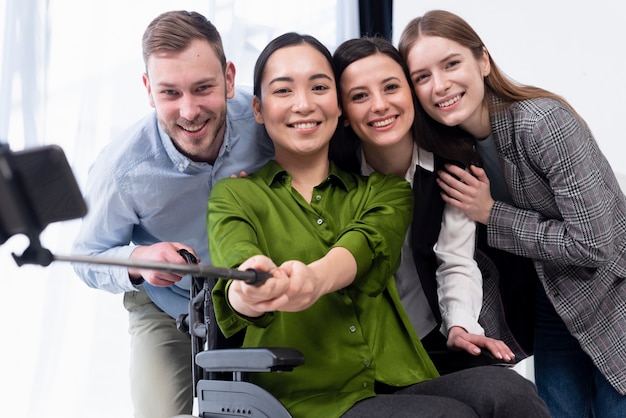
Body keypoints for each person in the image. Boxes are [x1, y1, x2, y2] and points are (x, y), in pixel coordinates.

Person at [208, 31, 550, 418]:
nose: (303, 104)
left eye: (318, 87)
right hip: (308, 396)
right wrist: (249, 290)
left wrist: (315, 278)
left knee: (510, 391)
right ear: (258, 108)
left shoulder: (385, 190)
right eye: (283, 91)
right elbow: (236, 264)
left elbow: (366, 244)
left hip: (399, 375)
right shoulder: (234, 196)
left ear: (336, 106)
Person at [398, 9, 626, 417]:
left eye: (451, 64)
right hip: (553, 302)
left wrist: (492, 213)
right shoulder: (447, 151)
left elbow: (595, 243)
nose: (440, 85)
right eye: (422, 77)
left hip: (612, 298)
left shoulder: (542, 123)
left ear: (483, 61)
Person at [71, 10, 273, 418]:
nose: (189, 110)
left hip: (262, 295)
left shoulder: (268, 122)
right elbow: (85, 257)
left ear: (229, 78)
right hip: (169, 307)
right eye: (170, 93)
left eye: (203, 88)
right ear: (148, 90)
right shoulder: (122, 169)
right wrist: (137, 262)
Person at [331, 36, 523, 374]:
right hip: (364, 350)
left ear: (411, 93)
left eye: (391, 87)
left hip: (437, 334)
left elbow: (456, 260)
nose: (379, 105)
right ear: (342, 113)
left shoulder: (454, 162)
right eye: (360, 96)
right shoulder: (335, 175)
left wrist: (460, 325)